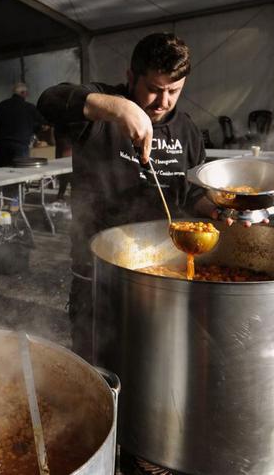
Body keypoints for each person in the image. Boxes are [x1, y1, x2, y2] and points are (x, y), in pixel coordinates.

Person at [38, 33, 222, 362]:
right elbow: (49, 100)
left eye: (173, 91)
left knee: (153, 364)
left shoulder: (188, 131)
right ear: (130, 77)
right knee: (96, 366)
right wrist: (118, 108)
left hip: (163, 271)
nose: (162, 101)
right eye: (153, 88)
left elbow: (192, 191)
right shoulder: (100, 109)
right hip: (97, 272)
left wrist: (215, 208)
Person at [0, 83, 47, 165]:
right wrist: (38, 129)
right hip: (21, 145)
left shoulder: (2, 105)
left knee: (5, 171)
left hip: (3, 146)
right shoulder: (29, 107)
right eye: (26, 93)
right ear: (23, 93)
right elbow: (43, 123)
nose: (27, 95)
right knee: (21, 172)